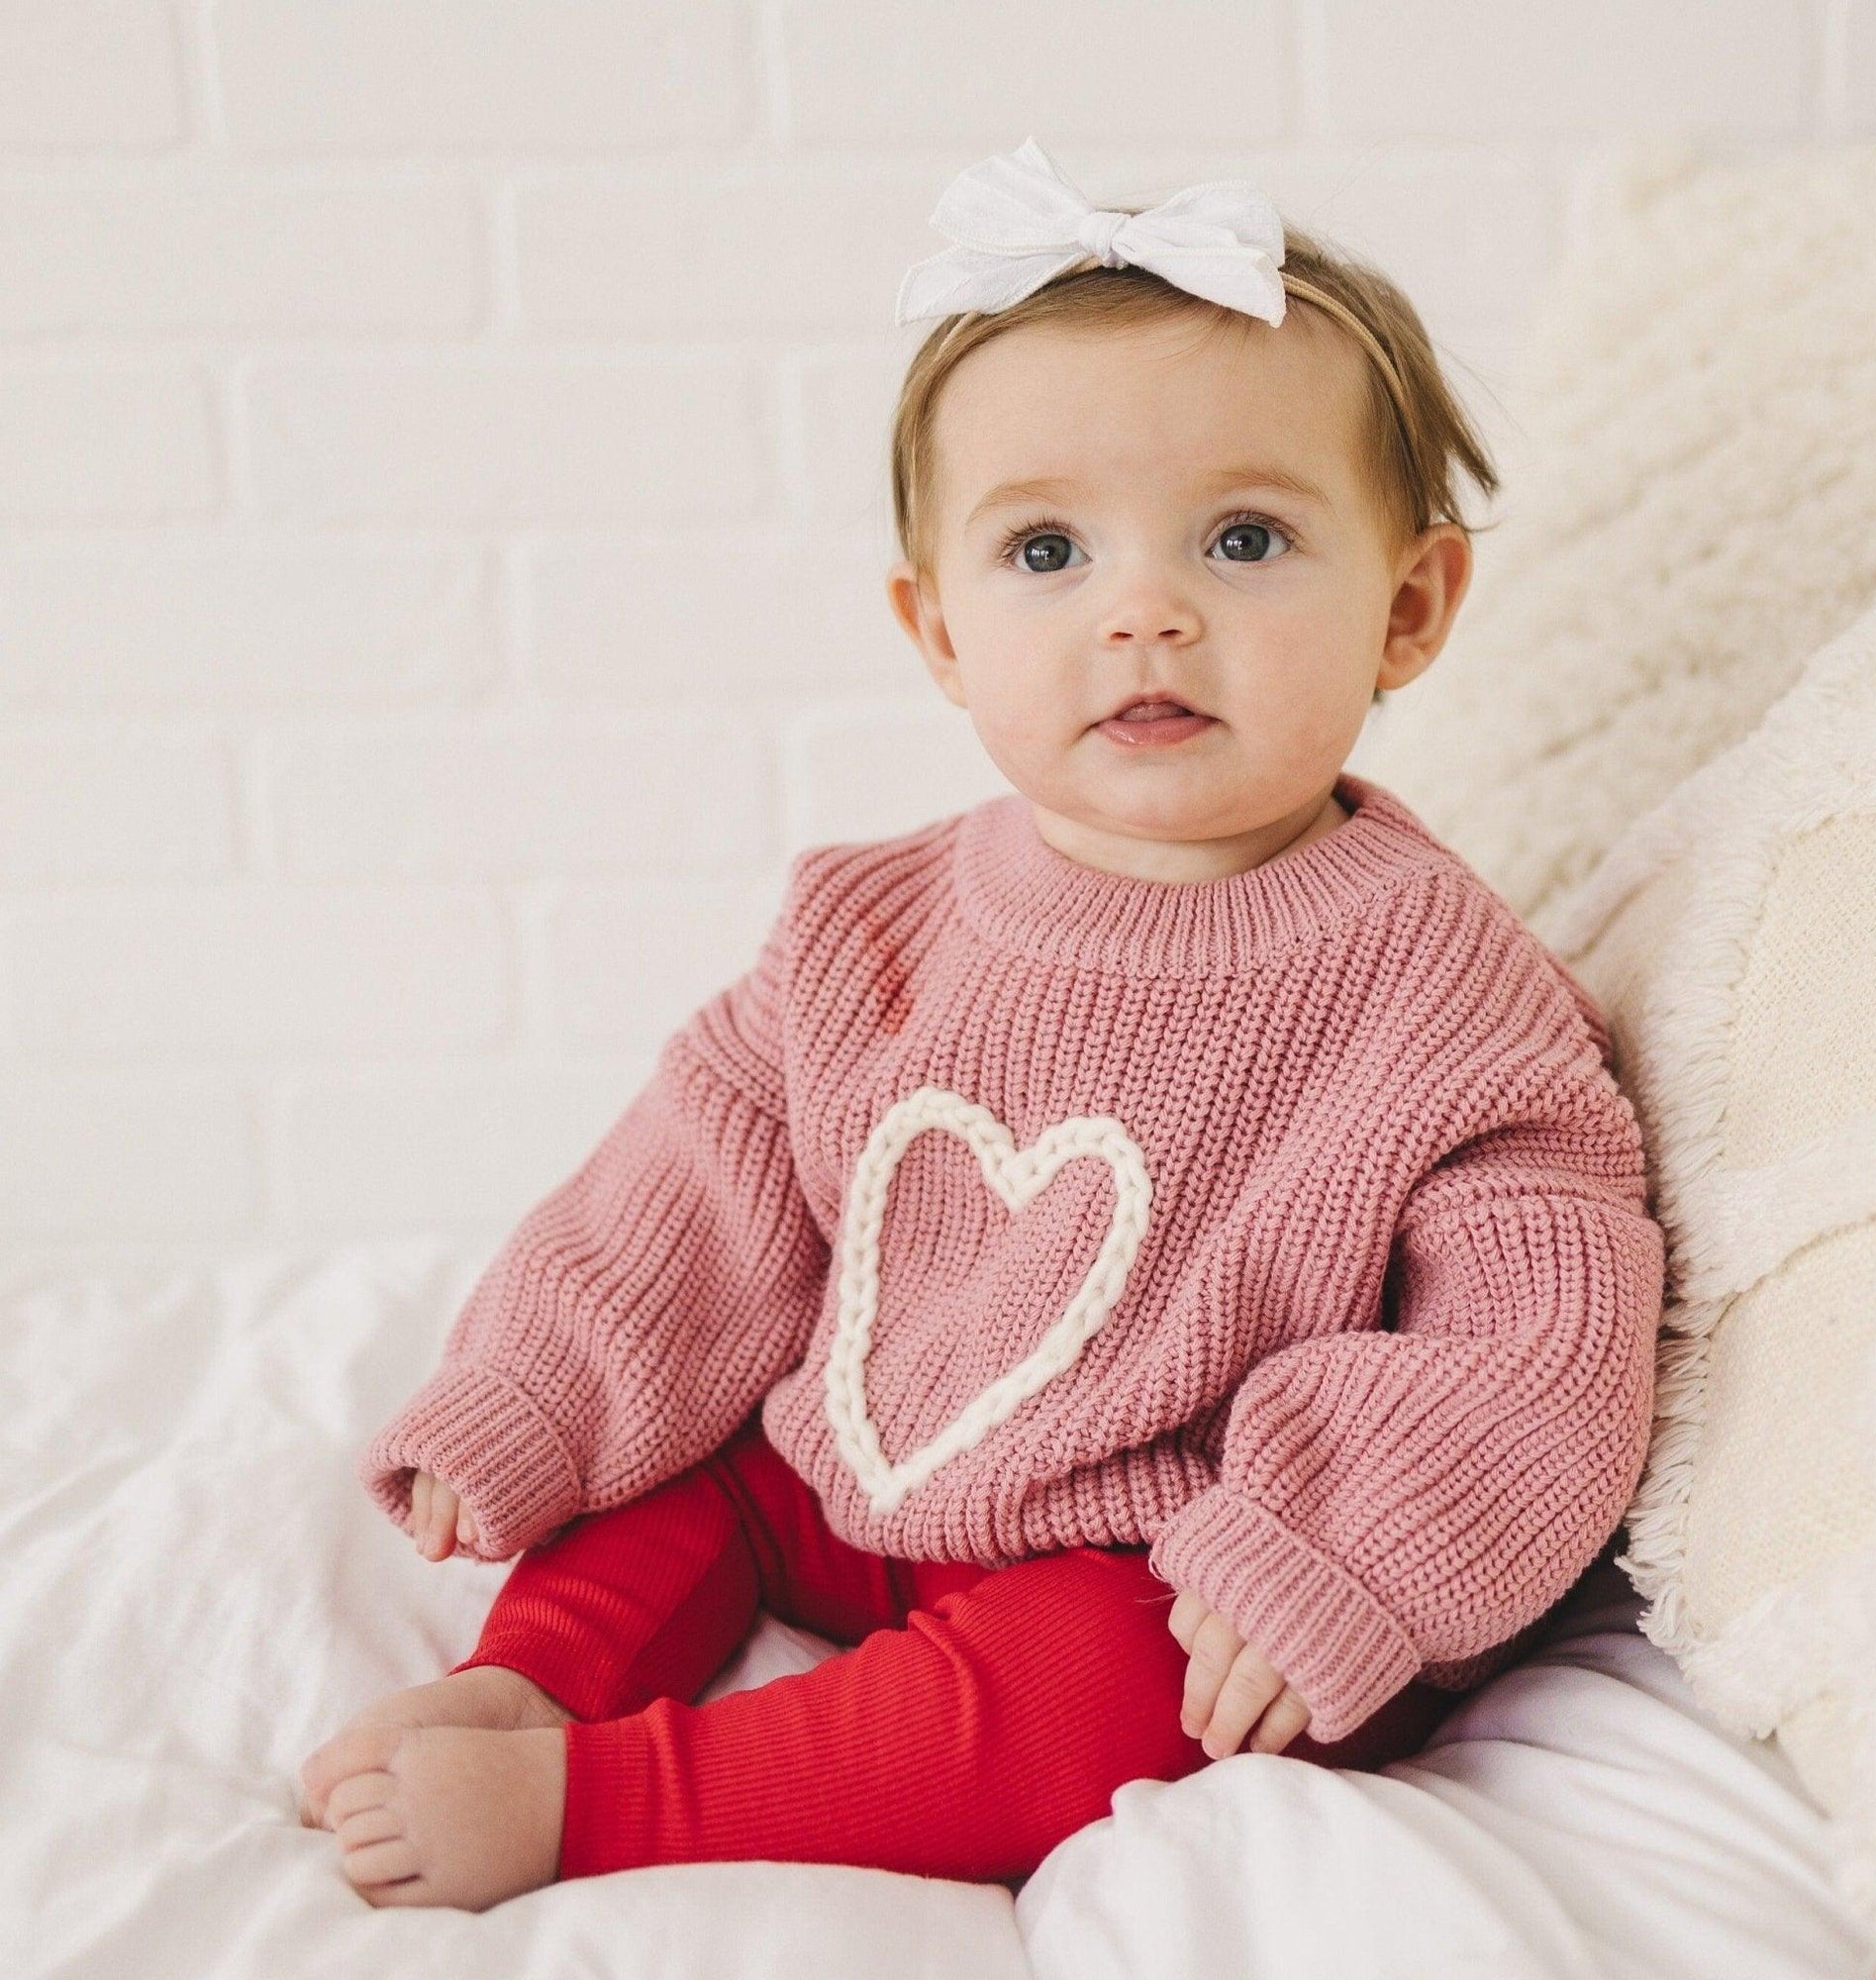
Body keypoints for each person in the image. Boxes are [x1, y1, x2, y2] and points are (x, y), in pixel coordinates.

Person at [296, 137, 1665, 1913]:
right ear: (939, 632)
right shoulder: (869, 925)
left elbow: (1536, 1323)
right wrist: (536, 1391)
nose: (1143, 607)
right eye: (1046, 548)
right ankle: (535, 1676)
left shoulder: (1444, 992)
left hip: (1176, 1564)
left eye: (1244, 538)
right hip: (869, 1472)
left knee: (1106, 1690)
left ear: (1410, 606)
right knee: (697, 1453)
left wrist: (1334, 1549)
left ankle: (613, 1801)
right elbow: (689, 1204)